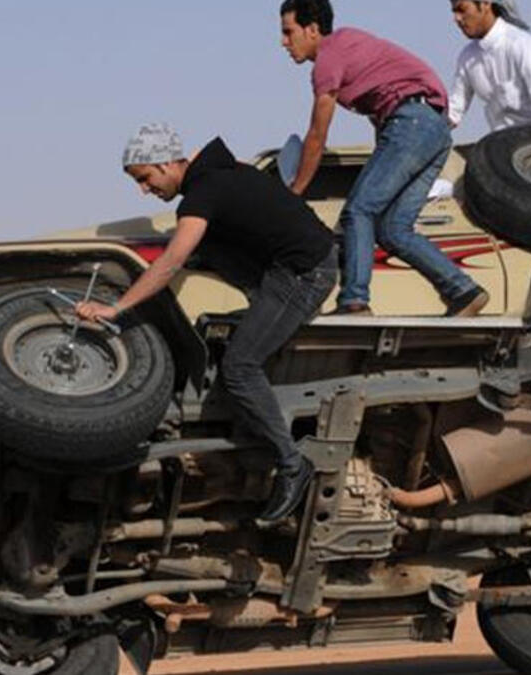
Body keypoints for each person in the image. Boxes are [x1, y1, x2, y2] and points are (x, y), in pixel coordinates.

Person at [76, 123, 337, 527]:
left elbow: (170, 263)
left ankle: (292, 464)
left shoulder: (203, 193)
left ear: (166, 163)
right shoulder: (223, 174)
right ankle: (257, 310)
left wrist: (117, 309)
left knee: (239, 368)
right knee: (204, 247)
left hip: (304, 275)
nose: (144, 190)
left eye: (145, 179)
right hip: (280, 265)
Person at [279, 0, 489, 317]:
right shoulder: (348, 46)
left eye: (288, 32)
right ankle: (463, 291)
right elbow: (385, 109)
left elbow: (317, 135)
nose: (283, 42)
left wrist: (295, 192)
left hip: (412, 124)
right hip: (433, 128)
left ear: (311, 29)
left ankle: (354, 301)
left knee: (359, 210)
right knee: (393, 230)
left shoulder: (328, 57)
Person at [448, 0, 531, 184]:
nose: (457, 19)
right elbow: (453, 112)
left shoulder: (524, 46)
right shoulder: (467, 57)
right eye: (453, 12)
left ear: (484, 4)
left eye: (461, 10)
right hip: (505, 152)